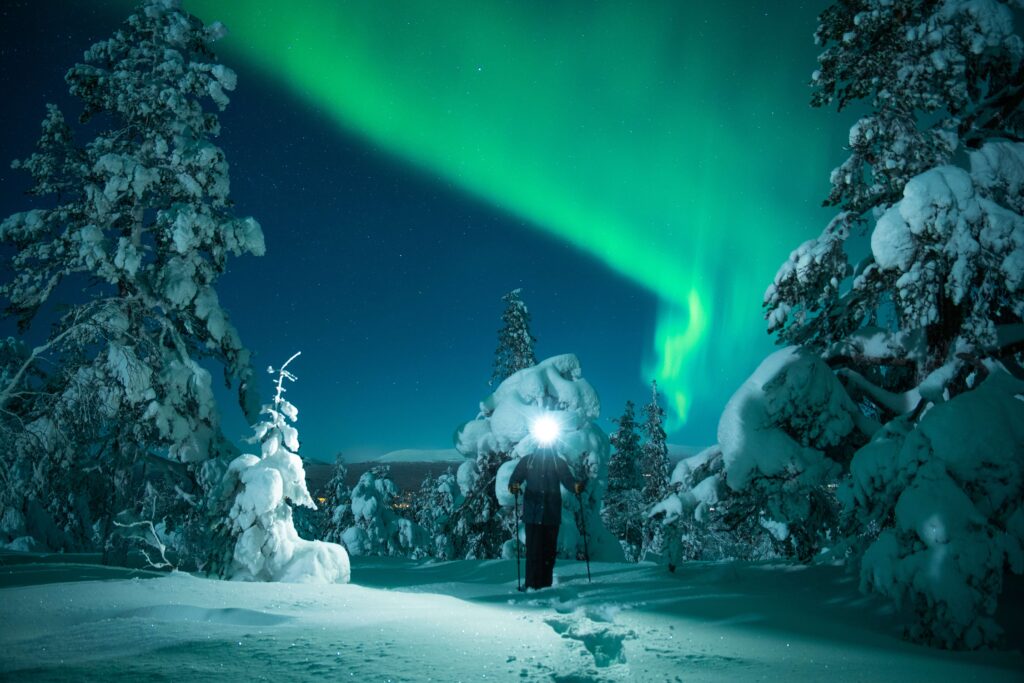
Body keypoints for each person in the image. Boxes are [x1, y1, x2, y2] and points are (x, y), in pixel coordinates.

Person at [508, 447, 585, 590]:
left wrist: (575, 486)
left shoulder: (558, 462)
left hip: (551, 514)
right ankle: (531, 585)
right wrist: (513, 486)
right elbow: (515, 477)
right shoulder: (528, 461)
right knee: (533, 551)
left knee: (549, 552)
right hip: (533, 514)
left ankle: (545, 585)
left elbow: (568, 480)